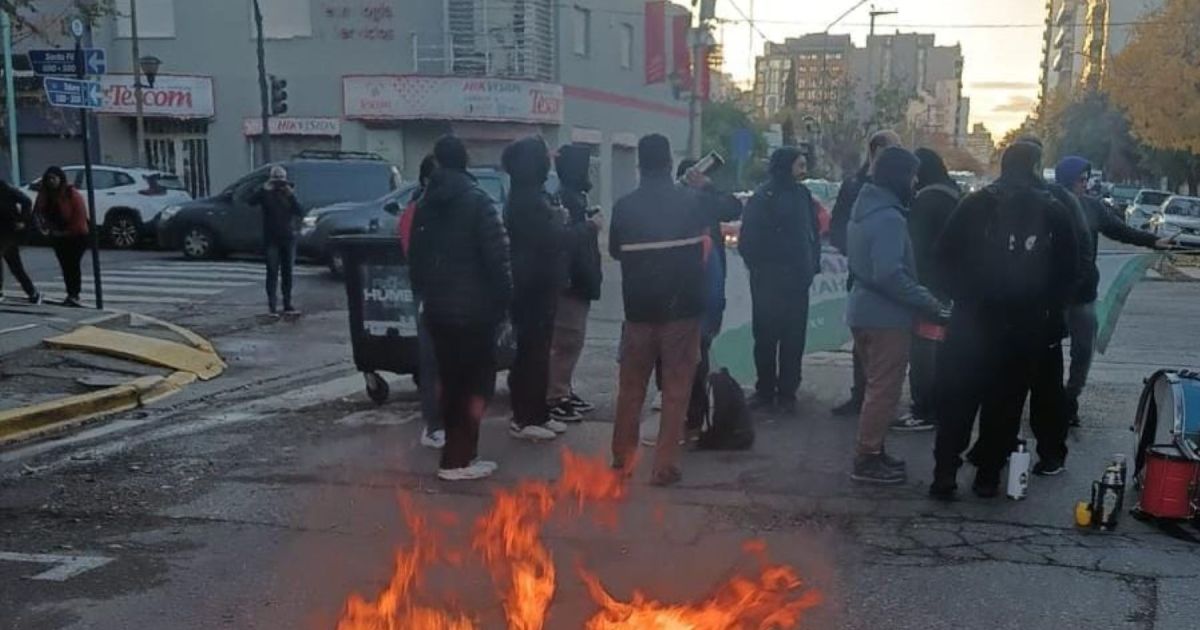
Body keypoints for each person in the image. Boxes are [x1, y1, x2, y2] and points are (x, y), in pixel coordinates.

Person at [931, 140, 1080, 499]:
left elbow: (941, 257)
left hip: (972, 322)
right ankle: (987, 477)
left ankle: (945, 473)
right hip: (1024, 326)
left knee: (958, 400)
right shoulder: (1054, 210)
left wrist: (962, 296)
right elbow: (1071, 270)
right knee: (1006, 404)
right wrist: (1047, 308)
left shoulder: (975, 203)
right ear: (1035, 166)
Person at [408, 135, 512, 481]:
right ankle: (461, 458)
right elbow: (498, 259)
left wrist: (426, 296)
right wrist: (504, 305)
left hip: (438, 311)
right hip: (474, 312)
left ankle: (454, 455)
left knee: (451, 382)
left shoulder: (425, 203)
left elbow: (416, 257)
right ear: (465, 161)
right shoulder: (478, 202)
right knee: (477, 385)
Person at [609, 133, 709, 486]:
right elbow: (732, 209)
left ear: (640, 164)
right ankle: (664, 465)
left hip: (638, 310)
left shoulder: (624, 207)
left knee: (631, 386)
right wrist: (703, 185)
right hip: (682, 310)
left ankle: (622, 456)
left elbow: (615, 252)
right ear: (669, 162)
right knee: (677, 386)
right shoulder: (691, 201)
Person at [844, 147, 943, 485]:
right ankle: (867, 458)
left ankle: (874, 450)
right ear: (899, 176)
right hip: (885, 316)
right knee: (884, 389)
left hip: (863, 309)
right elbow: (889, 273)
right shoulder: (889, 217)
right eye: (912, 175)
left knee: (877, 387)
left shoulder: (864, 209)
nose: (916, 182)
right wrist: (927, 300)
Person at [1054, 156, 1170, 426]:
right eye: (1080, 180)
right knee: (1046, 350)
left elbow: (1120, 231)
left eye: (1086, 180)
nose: (1084, 185)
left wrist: (1154, 240)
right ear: (1068, 181)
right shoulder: (1051, 206)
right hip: (1052, 295)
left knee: (1083, 351)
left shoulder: (1092, 208)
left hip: (1082, 295)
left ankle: (1069, 399)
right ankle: (1047, 399)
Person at [738, 147, 821, 414]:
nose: (804, 170)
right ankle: (765, 389)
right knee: (766, 336)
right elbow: (748, 240)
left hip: (797, 280)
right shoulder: (764, 196)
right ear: (786, 166)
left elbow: (812, 232)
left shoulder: (802, 194)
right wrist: (762, 269)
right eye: (800, 165)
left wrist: (811, 265)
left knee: (793, 337)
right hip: (769, 281)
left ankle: (787, 391)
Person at [829, 130, 903, 417]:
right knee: (862, 338)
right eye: (890, 151)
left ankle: (882, 399)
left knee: (888, 344)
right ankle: (861, 394)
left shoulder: (901, 186)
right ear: (875, 152)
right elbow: (839, 225)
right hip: (862, 274)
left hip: (891, 274)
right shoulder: (855, 185)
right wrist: (856, 252)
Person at [502, 136, 569, 442]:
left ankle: (539, 411)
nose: (549, 161)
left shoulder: (534, 194)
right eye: (544, 156)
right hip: (530, 284)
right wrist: (561, 221)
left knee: (541, 349)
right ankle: (524, 415)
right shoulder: (525, 199)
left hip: (542, 281)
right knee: (530, 350)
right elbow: (547, 236)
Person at [895, 148, 961, 432]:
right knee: (941, 350)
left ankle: (923, 409)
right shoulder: (953, 194)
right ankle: (941, 405)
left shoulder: (927, 200)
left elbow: (914, 247)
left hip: (928, 286)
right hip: (950, 285)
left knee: (923, 351)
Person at [546, 143, 604, 424]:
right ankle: (556, 395)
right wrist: (590, 226)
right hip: (570, 282)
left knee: (574, 340)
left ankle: (564, 389)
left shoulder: (576, 196)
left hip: (580, 280)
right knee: (565, 341)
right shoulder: (564, 198)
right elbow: (565, 240)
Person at [398, 155, 444, 449]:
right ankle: (433, 424)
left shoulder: (445, 208)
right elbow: (411, 251)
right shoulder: (417, 212)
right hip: (430, 293)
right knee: (433, 360)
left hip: (451, 293)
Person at [248, 166, 304, 315]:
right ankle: (272, 304)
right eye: (276, 180)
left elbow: (300, 211)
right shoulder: (266, 193)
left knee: (288, 272)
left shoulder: (287, 193)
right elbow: (250, 201)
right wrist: (264, 190)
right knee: (272, 272)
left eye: (281, 180)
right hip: (271, 238)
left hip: (288, 237)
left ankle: (287, 303)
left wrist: (291, 195)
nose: (279, 184)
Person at [34, 166, 89, 307]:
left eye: (54, 178)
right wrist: (45, 228)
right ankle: (70, 294)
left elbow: (79, 218)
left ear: (60, 178)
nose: (51, 181)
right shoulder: (45, 194)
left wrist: (65, 232)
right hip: (57, 236)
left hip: (76, 236)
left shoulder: (71, 194)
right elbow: (38, 212)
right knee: (65, 266)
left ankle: (74, 294)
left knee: (73, 265)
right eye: (48, 179)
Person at [0, 179, 40, 304]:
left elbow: (26, 201)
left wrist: (23, 220)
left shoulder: (4, 188)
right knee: (15, 265)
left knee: (13, 264)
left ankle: (32, 292)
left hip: (8, 230)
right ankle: (32, 292)